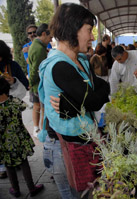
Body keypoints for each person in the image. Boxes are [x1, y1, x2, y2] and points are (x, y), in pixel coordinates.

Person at [38, 3, 110, 198]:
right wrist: (89, 98)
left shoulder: (82, 61)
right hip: (66, 150)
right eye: (89, 30)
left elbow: (105, 88)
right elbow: (95, 100)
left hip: (83, 143)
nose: (93, 37)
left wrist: (72, 104)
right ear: (72, 29)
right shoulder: (60, 66)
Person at [0, 77, 44, 197]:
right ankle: (31, 187)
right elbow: (24, 106)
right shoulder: (14, 101)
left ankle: (15, 189)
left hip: (4, 143)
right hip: (20, 139)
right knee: (24, 163)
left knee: (9, 166)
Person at [0, 40, 29, 179]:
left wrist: (13, 81)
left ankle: (17, 159)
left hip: (11, 107)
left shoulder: (12, 66)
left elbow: (26, 84)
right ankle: (5, 164)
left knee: (13, 133)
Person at [28, 23, 53, 137]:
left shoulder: (37, 45)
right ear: (43, 34)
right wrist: (31, 84)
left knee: (40, 108)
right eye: (50, 37)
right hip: (38, 85)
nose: (50, 40)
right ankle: (44, 134)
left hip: (36, 84)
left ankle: (41, 131)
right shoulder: (39, 49)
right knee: (43, 110)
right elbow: (35, 70)